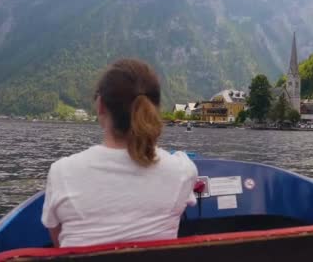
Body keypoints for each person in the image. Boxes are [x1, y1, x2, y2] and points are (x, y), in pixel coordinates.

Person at [41, 59, 198, 248]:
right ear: (154, 109)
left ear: (101, 105)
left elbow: (58, 242)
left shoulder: (62, 172)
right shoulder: (182, 170)